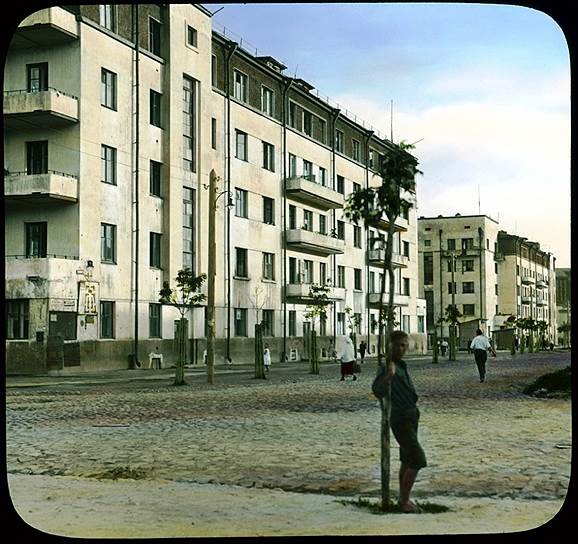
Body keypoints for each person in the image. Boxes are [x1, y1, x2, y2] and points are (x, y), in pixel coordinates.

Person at [372, 330, 427, 513]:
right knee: (418, 458)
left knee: (406, 458)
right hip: (400, 417)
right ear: (390, 346)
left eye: (404, 345)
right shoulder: (388, 366)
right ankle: (404, 501)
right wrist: (388, 376)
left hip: (411, 415)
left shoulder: (402, 365)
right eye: (398, 345)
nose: (402, 349)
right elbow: (378, 390)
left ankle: (403, 500)